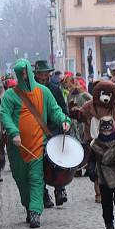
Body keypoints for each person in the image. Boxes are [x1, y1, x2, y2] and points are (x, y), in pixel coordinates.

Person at [0, 59, 71, 228]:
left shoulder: (44, 92)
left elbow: (55, 110)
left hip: (38, 144)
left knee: (36, 178)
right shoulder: (10, 95)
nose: (24, 76)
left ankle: (35, 211)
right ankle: (28, 205)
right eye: (20, 73)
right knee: (21, 179)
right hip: (17, 148)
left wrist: (64, 120)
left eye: (25, 72)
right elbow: (5, 115)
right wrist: (13, 132)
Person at [70, 80, 115, 203]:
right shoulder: (89, 105)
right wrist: (75, 112)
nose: (106, 97)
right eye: (104, 93)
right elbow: (81, 115)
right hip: (93, 142)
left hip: (111, 142)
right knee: (96, 168)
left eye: (109, 94)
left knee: (109, 167)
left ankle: (110, 188)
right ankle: (99, 193)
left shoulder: (113, 108)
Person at [34, 60, 70, 207]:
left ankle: (60, 189)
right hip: (36, 130)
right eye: (41, 74)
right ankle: (42, 194)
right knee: (38, 163)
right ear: (36, 75)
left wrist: (65, 122)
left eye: (45, 74)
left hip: (54, 129)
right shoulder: (31, 89)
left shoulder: (55, 89)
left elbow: (62, 109)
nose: (43, 77)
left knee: (57, 161)